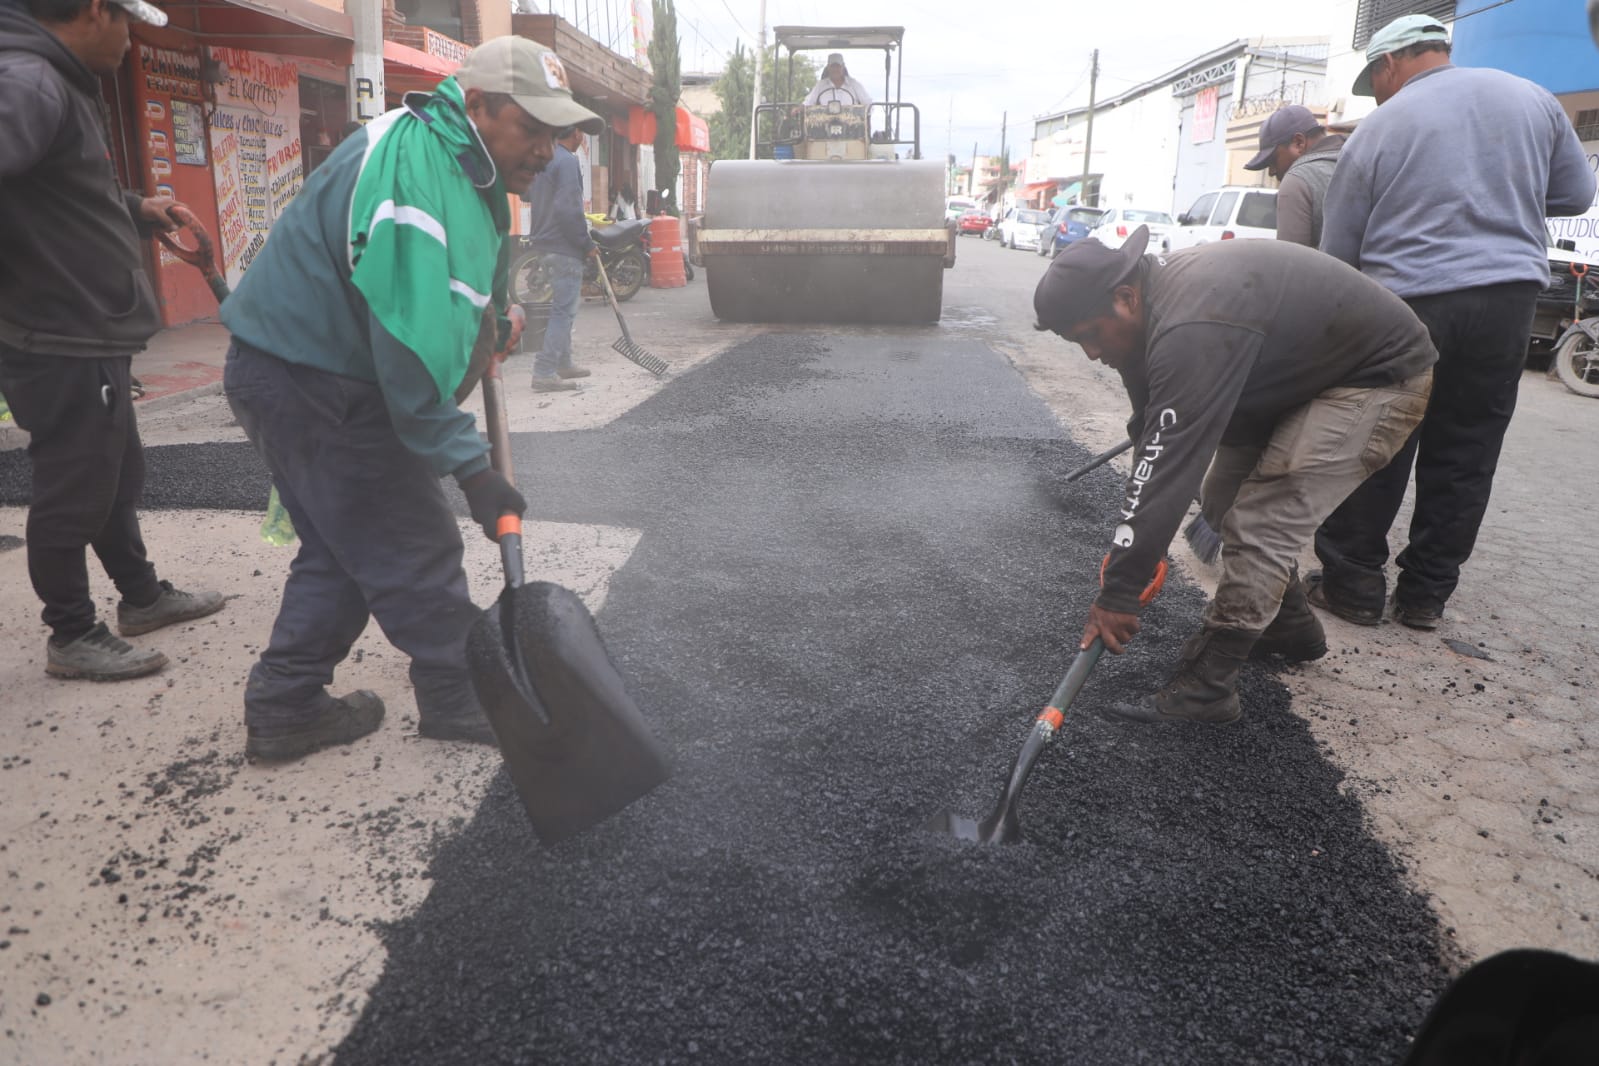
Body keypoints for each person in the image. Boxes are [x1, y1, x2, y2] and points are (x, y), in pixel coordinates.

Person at [219, 37, 603, 762]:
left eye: (558, 135)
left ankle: (286, 704)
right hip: (317, 381)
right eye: (534, 129)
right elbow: (407, 358)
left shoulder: (460, 164)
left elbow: (457, 297)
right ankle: (457, 695)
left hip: (292, 369)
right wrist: (474, 469)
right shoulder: (419, 180)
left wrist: (491, 327)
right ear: (478, 105)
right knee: (412, 541)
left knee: (346, 549)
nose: (548, 152)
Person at [1034, 227, 1436, 725]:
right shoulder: (1147, 315)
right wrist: (1139, 547)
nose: (1091, 353)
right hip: (1300, 377)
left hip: (1375, 377)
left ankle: (1207, 689)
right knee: (1222, 499)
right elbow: (1153, 440)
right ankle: (1288, 627)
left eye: (1090, 335)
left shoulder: (1192, 324)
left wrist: (1120, 590)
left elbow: (1171, 461)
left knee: (1261, 524)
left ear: (1124, 297)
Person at [1309, 14, 1595, 630]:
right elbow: (1575, 196)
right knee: (1468, 447)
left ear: (1390, 63)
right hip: (1509, 300)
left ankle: (1353, 583)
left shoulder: (1381, 125)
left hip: (1409, 304)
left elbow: (1339, 255)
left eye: (1375, 81)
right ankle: (1425, 596)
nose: (1378, 94)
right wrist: (1503, 187)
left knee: (1380, 439)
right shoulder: (1533, 100)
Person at [0, 0, 225, 682]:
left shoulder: (52, 79)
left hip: (83, 328)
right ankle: (72, 634)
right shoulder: (28, 81)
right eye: (128, 23)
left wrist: (134, 209)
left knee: (113, 472)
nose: (132, 41)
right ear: (95, 11)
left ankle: (142, 596)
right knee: (76, 486)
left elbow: (54, 193)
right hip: (58, 333)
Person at [524, 125, 602, 392]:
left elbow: (527, 193)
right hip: (563, 246)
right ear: (577, 134)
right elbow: (569, 209)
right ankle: (544, 371)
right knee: (563, 311)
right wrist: (586, 243)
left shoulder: (547, 158)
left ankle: (564, 362)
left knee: (563, 306)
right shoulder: (568, 161)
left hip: (544, 243)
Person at [1241, 104, 1346, 248]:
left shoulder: (1297, 182)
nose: (1271, 171)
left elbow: (1289, 265)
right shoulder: (1360, 161)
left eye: (1273, 161)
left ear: (1299, 143)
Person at [803, 53, 873, 108]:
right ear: (828, 67)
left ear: (843, 67)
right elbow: (808, 102)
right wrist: (800, 108)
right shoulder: (820, 85)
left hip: (850, 124)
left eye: (838, 66)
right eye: (832, 66)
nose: (835, 69)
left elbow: (868, 104)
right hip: (824, 124)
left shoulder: (854, 84)